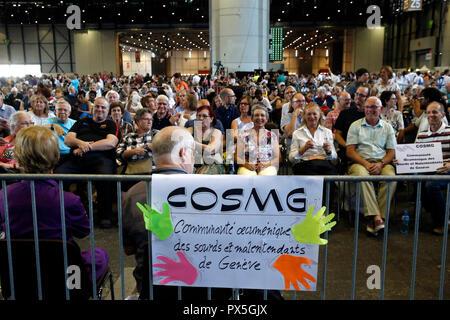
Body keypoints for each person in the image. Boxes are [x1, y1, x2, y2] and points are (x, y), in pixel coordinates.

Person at [0, 126, 109, 283]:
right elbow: (83, 231)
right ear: (55, 156)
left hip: (20, 277)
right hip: (65, 276)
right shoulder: (69, 200)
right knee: (99, 255)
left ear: (19, 156)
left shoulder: (3, 195)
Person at [55, 97, 120, 229]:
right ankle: (64, 213)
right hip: (77, 158)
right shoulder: (82, 121)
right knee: (58, 177)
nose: (100, 109)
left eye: (103, 107)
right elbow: (68, 139)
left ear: (107, 110)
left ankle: (105, 215)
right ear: (92, 108)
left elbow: (110, 143)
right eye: (97, 106)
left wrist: (87, 147)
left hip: (101, 159)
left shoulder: (111, 124)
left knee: (106, 179)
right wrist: (82, 144)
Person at [346, 96, 397, 236]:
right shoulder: (356, 125)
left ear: (380, 109)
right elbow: (350, 151)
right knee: (361, 176)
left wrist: (381, 164)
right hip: (360, 161)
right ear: (364, 109)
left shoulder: (387, 127)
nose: (371, 110)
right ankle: (377, 217)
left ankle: (375, 219)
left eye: (374, 107)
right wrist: (366, 163)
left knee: (390, 177)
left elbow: (392, 151)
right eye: (368, 107)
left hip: (382, 162)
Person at [414, 102, 450, 235]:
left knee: (430, 185)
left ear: (443, 115)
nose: (431, 115)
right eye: (428, 112)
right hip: (427, 169)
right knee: (415, 179)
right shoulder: (422, 135)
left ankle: (442, 221)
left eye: (434, 112)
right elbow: (415, 155)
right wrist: (403, 160)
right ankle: (433, 209)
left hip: (445, 170)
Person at [289, 103, 337, 175]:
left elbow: (334, 156)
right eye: (308, 114)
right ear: (304, 116)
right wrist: (304, 149)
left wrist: (329, 151)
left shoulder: (327, 132)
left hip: (324, 165)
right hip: (305, 165)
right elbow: (291, 158)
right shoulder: (297, 133)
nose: (312, 117)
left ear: (319, 115)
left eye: (315, 114)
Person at [116, 108, 157, 190]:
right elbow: (118, 153)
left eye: (151, 119)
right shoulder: (129, 136)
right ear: (138, 121)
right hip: (132, 174)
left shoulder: (157, 134)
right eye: (146, 119)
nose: (149, 121)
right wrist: (132, 152)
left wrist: (155, 147)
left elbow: (166, 149)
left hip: (152, 173)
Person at [236, 105, 279, 175]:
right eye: (256, 115)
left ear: (267, 119)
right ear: (252, 118)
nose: (259, 118)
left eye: (262, 115)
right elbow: (237, 157)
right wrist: (245, 164)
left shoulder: (272, 136)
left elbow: (278, 158)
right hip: (247, 166)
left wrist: (267, 164)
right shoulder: (242, 135)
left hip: (267, 166)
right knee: (248, 176)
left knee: (265, 176)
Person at [187, 105, 224, 174]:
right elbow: (181, 139)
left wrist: (190, 142)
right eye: (198, 115)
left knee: (202, 175)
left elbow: (211, 150)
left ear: (211, 118)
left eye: (204, 116)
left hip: (212, 163)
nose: (201, 118)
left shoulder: (216, 132)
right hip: (194, 163)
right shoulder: (191, 129)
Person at [43, 99, 76, 166]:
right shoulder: (49, 121)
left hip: (71, 155)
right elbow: (41, 129)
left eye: (65, 110)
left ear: (69, 113)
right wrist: (53, 126)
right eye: (59, 110)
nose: (62, 112)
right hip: (53, 155)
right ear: (55, 112)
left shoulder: (74, 123)